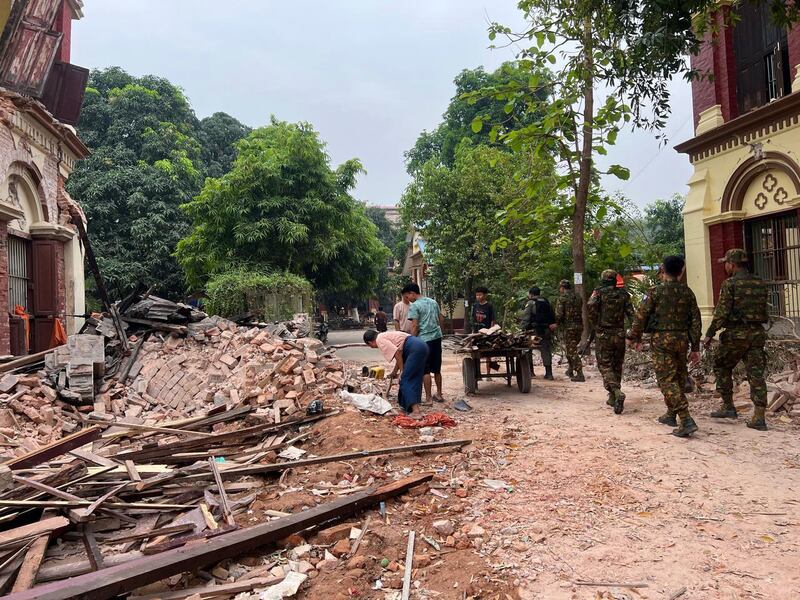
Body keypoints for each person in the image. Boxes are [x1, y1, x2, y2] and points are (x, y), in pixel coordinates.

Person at [627, 256, 702, 437]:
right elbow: (696, 321)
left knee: (666, 380)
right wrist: (695, 346)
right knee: (677, 377)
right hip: (682, 339)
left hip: (662, 340)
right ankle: (670, 415)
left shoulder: (655, 291)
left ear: (662, 269)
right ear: (681, 271)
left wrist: (633, 337)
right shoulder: (688, 292)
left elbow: (641, 316)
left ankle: (686, 419)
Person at [702, 248, 770, 431]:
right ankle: (759, 416)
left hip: (736, 334)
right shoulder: (760, 282)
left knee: (721, 365)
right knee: (756, 374)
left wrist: (709, 334)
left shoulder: (730, 283)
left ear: (732, 264)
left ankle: (728, 406)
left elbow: (721, 312)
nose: (725, 266)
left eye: (726, 263)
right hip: (756, 334)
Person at [588, 269, 633, 414]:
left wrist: (595, 324)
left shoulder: (599, 293)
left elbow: (590, 307)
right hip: (619, 333)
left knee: (605, 365)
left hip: (603, 333)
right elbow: (632, 314)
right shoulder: (624, 294)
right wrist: (633, 333)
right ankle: (613, 397)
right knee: (617, 364)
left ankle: (616, 391)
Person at [364, 329, 428, 418]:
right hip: (421, 345)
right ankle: (407, 406)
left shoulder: (380, 339)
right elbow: (399, 355)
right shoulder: (384, 335)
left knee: (405, 379)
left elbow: (397, 353)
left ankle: (416, 411)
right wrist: (394, 372)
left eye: (371, 346)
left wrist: (402, 371)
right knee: (415, 377)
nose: (373, 347)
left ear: (370, 342)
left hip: (414, 348)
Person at [404, 282, 445, 402]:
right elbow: (441, 319)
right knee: (437, 369)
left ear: (412, 293)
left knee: (425, 370)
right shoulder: (433, 302)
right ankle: (439, 394)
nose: (408, 299)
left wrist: (412, 340)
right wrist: (441, 333)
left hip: (423, 341)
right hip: (437, 338)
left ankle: (428, 398)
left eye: (408, 296)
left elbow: (415, 325)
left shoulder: (415, 306)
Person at [552, 279, 584, 382]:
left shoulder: (562, 299)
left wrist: (556, 323)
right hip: (579, 326)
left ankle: (580, 374)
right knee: (571, 349)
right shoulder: (578, 297)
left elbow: (559, 314)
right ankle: (570, 370)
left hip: (569, 327)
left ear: (562, 288)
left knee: (571, 351)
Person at [521, 287, 555, 380]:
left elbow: (526, 317)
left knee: (528, 349)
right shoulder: (546, 302)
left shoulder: (531, 303)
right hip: (546, 330)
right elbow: (552, 315)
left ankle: (530, 372)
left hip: (534, 331)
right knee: (546, 350)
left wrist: (523, 328)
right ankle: (549, 373)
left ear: (531, 294)